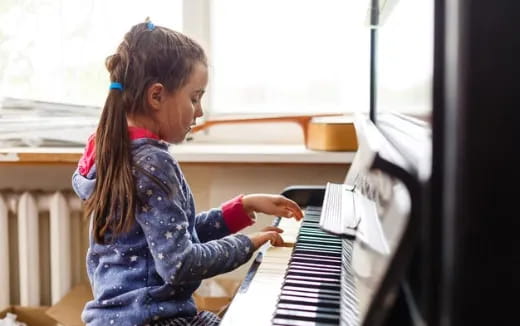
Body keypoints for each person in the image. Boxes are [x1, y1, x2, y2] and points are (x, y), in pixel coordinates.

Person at [71, 20, 303, 326]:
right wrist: (249, 244)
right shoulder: (152, 163)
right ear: (156, 96)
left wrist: (242, 207)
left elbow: (172, 236)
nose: (200, 111)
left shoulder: (113, 150)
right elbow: (180, 264)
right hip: (153, 320)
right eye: (194, 97)